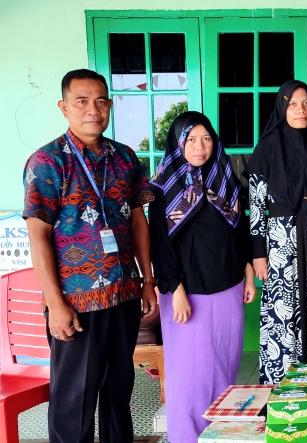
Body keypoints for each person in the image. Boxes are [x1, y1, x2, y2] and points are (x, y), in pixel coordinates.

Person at [23, 69, 157, 443]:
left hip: (124, 294)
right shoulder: (47, 162)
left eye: (100, 101)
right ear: (64, 107)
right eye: (81, 101)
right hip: (76, 301)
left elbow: (138, 220)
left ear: (109, 105)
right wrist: (55, 304)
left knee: (118, 393)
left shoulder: (125, 157)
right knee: (74, 401)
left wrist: (147, 280)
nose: (92, 110)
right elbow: (38, 234)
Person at [149, 111, 256, 442]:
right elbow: (160, 245)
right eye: (192, 140)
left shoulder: (225, 180)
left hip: (227, 287)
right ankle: (186, 437)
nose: (200, 146)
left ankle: (218, 435)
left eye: (206, 139)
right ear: (178, 144)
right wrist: (175, 289)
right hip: (187, 292)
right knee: (190, 375)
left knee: (224, 365)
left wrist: (248, 273)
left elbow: (239, 231)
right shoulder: (163, 189)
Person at [245, 80, 307, 385]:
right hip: (281, 245)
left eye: (306, 103)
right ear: (282, 108)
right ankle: (283, 389)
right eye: (293, 104)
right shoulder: (267, 149)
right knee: (283, 312)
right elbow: (256, 206)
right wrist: (258, 254)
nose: (301, 110)